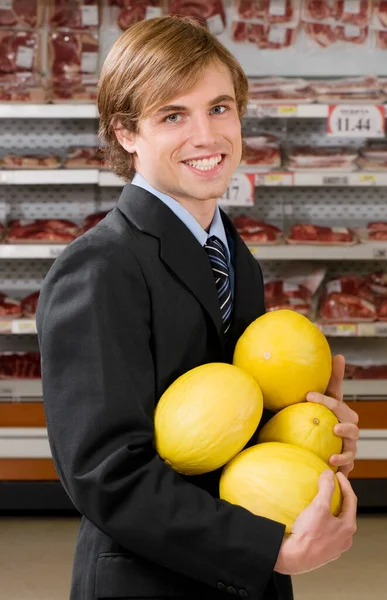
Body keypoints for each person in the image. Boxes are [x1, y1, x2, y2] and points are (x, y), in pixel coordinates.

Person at [36, 16, 359, 600]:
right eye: (173, 115)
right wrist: (266, 548)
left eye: (220, 107)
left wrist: (307, 433)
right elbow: (106, 474)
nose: (208, 136)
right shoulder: (100, 268)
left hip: (246, 579)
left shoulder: (235, 256)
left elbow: (233, 417)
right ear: (127, 133)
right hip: (149, 581)